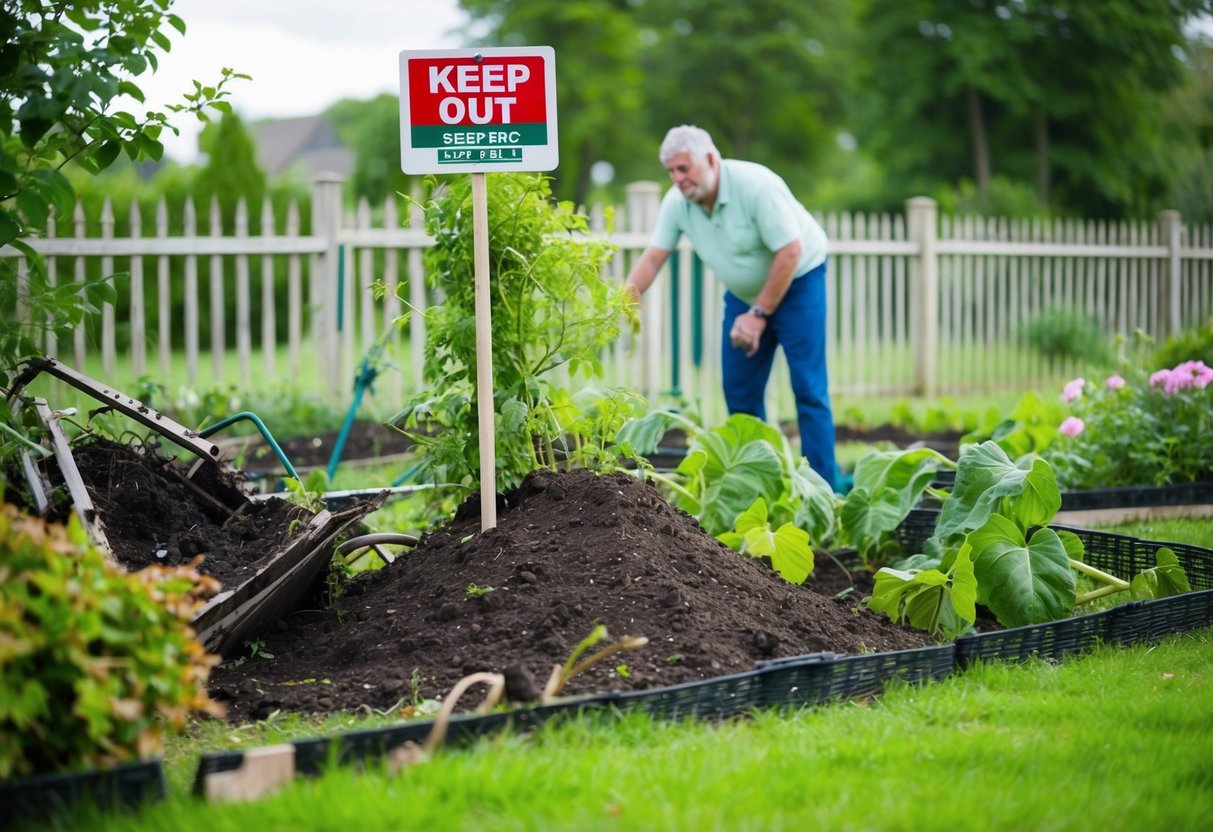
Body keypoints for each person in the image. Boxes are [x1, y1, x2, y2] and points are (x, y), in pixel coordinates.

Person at [624, 124, 838, 490]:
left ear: (709, 159)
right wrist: (622, 300)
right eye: (671, 172)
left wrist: (758, 316)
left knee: (808, 388)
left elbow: (791, 251)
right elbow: (654, 258)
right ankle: (758, 487)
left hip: (799, 281)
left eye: (684, 168)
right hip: (743, 296)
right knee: (739, 391)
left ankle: (824, 492)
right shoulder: (678, 203)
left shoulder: (756, 186)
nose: (677, 179)